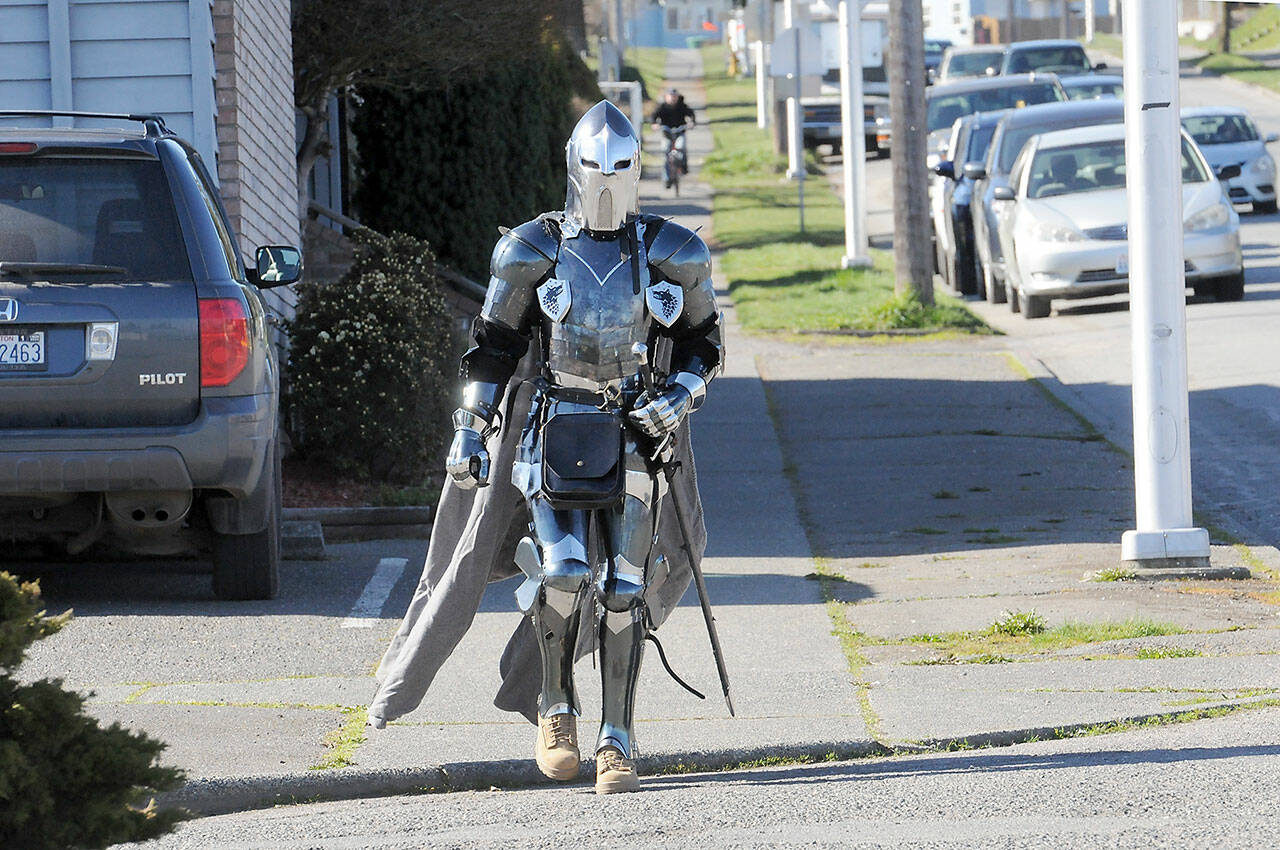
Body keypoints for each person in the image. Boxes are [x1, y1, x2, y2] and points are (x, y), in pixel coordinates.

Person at [368, 99, 722, 796]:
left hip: (636, 428)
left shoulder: (672, 249)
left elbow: (703, 343)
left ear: (639, 168)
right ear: (574, 167)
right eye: (598, 167)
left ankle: (617, 740)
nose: (609, 179)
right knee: (561, 571)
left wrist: (678, 393)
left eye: (622, 166)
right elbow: (491, 350)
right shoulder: (532, 247)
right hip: (554, 423)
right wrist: (470, 429)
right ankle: (554, 710)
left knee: (624, 584)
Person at [651, 89, 696, 185]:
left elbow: (691, 114)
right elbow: (654, 116)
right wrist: (654, 124)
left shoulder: (682, 106)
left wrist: (691, 122)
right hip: (667, 134)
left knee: (681, 147)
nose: (673, 98)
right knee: (666, 153)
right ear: (666, 97)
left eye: (674, 96)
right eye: (670, 96)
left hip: (680, 132)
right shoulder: (662, 107)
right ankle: (667, 178)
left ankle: (684, 166)